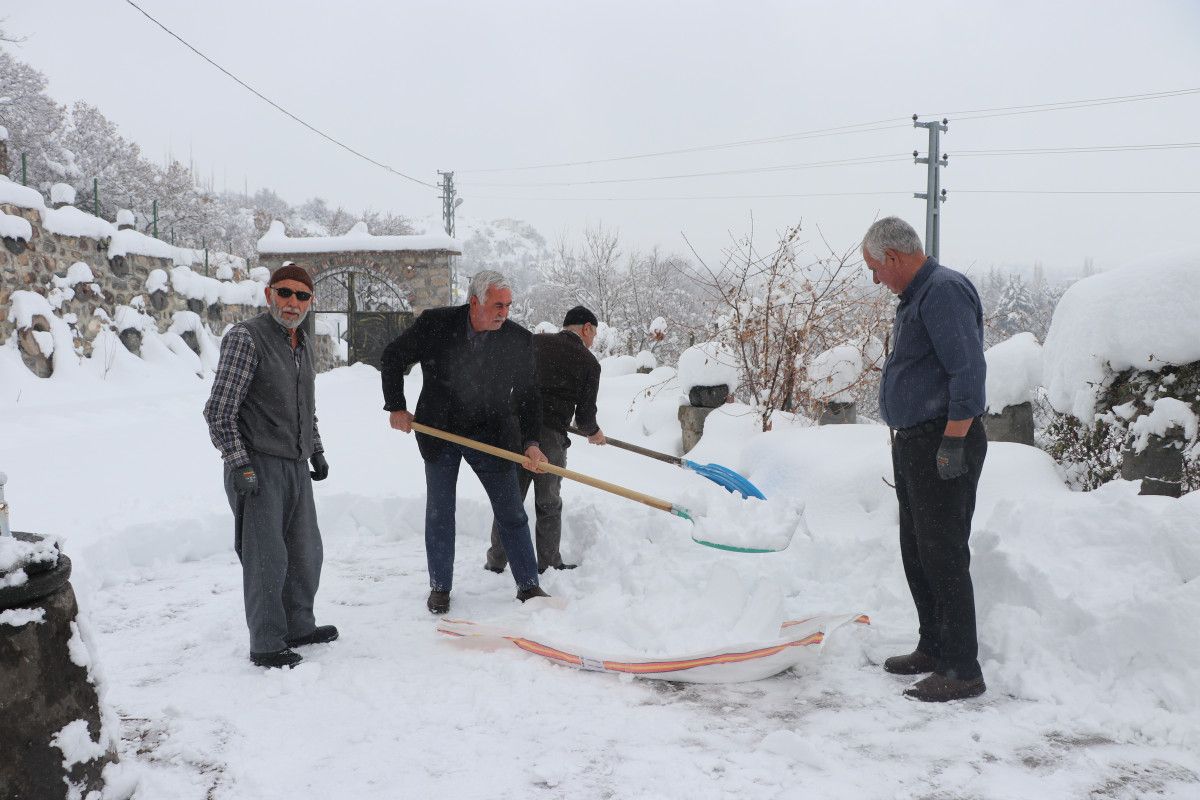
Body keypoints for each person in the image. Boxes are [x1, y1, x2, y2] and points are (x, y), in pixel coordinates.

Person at [861, 216, 988, 702]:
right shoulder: (916, 297)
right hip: (916, 441)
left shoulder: (944, 291)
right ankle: (934, 647)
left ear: (893, 257)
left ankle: (962, 669)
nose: (876, 279)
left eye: (875, 269)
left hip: (942, 441)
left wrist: (953, 442)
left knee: (943, 552)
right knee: (917, 549)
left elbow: (967, 372)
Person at [381, 270, 550, 615]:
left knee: (511, 513)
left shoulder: (518, 340)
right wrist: (396, 405)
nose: (504, 312)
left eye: (508, 305)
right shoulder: (436, 325)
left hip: (493, 437)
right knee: (440, 513)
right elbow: (393, 358)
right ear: (475, 302)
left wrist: (531, 442)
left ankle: (529, 586)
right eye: (497, 305)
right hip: (439, 433)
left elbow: (530, 397)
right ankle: (440, 587)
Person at [203, 262, 337, 669]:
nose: (292, 302)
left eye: (302, 296)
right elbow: (219, 411)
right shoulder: (247, 338)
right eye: (285, 293)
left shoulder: (301, 342)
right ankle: (265, 643)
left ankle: (298, 625)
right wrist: (240, 464)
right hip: (258, 465)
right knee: (266, 559)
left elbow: (304, 407)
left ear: (310, 302)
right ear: (269, 295)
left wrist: (315, 449)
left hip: (294, 465)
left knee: (305, 552)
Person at [485, 305, 606, 575]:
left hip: (514, 429)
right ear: (586, 328)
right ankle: (549, 563)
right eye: (594, 334)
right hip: (550, 435)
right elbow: (585, 418)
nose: (593, 341)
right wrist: (594, 432)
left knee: (510, 498)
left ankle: (496, 560)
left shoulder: (534, 342)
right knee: (548, 502)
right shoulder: (589, 363)